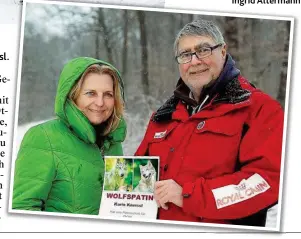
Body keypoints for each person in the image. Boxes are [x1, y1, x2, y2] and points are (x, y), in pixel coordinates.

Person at [135, 19, 284, 226]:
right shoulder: (163, 117)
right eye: (185, 55)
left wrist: (188, 195)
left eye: (203, 50)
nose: (194, 61)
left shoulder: (259, 109)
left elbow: (266, 181)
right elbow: (137, 175)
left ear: (223, 51)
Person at [12, 57, 126, 215]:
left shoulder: (113, 142)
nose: (100, 102)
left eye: (108, 94)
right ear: (73, 96)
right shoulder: (43, 137)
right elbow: (22, 209)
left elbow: (119, 204)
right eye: (90, 93)